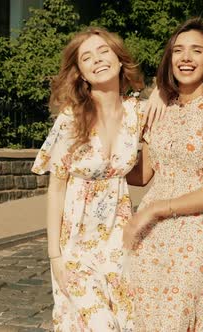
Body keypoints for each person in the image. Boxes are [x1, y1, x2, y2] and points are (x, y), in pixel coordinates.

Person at [123, 18, 203, 331]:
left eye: (196, 51)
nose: (186, 57)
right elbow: (143, 174)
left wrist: (158, 208)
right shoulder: (162, 108)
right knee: (140, 320)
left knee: (176, 322)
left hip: (190, 235)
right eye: (178, 50)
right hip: (146, 236)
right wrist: (100, 161)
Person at [31, 27, 145, 331]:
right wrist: (55, 255)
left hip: (120, 241)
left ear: (120, 59)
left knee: (125, 323)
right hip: (76, 244)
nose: (97, 60)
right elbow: (56, 190)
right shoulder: (71, 118)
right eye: (87, 57)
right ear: (80, 72)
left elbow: (147, 172)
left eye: (103, 51)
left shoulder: (138, 113)